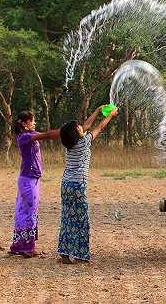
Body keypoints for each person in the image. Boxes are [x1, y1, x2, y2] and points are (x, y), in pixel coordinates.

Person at [56, 105, 118, 264]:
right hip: (78, 186)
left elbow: (87, 126)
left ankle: (64, 253)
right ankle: (79, 255)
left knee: (67, 218)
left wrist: (97, 111)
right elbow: (99, 127)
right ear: (77, 133)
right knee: (81, 220)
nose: (81, 127)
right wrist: (110, 115)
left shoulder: (70, 146)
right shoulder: (83, 143)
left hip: (66, 185)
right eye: (78, 127)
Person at [9, 111, 61, 258]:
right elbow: (48, 135)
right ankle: (26, 247)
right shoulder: (25, 137)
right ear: (24, 124)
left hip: (31, 179)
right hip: (28, 179)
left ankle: (20, 245)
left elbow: (47, 134)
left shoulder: (29, 135)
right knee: (28, 213)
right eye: (32, 121)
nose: (34, 123)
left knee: (24, 212)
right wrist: (66, 131)